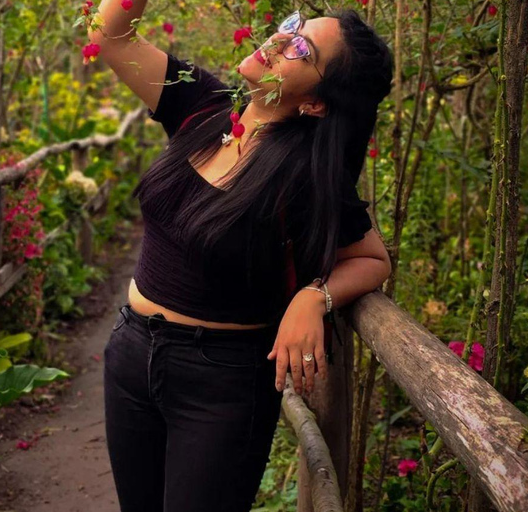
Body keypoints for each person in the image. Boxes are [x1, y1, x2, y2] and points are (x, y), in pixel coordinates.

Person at [88, 5, 393, 511]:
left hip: (220, 382)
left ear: (316, 103)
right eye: (291, 28)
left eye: (301, 49)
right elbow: (112, 37)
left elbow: (373, 259)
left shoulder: (307, 175)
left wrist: (312, 299)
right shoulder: (204, 105)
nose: (278, 40)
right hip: (130, 352)